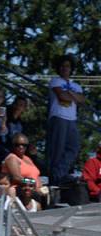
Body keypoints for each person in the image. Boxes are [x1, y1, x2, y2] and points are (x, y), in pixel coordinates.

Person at [47, 55, 84, 186]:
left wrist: (70, 94)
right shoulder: (55, 81)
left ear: (71, 69)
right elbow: (62, 96)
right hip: (58, 117)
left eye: (67, 66)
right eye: (62, 66)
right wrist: (72, 95)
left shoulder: (76, 85)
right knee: (57, 149)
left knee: (73, 148)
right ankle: (55, 179)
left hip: (72, 120)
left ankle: (60, 173)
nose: (65, 68)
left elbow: (81, 99)